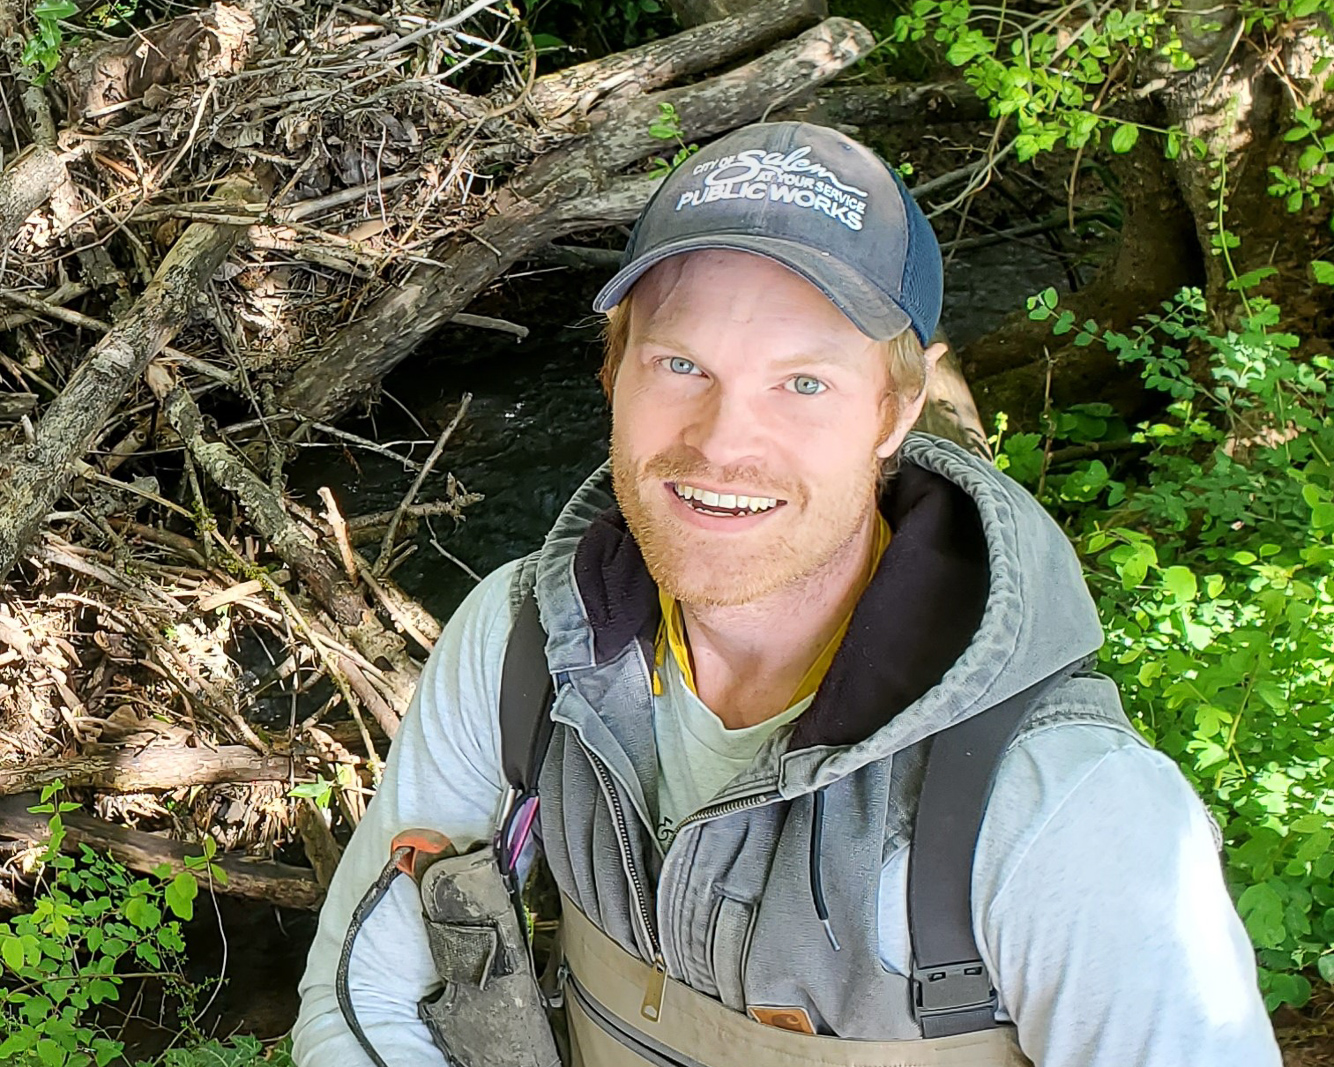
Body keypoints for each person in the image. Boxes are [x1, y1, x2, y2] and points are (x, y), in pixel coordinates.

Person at [292, 122, 1282, 1067]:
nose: (723, 440)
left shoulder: (1067, 809)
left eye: (801, 383)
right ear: (611, 374)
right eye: (681, 364)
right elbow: (369, 995)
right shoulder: (516, 648)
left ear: (893, 411)